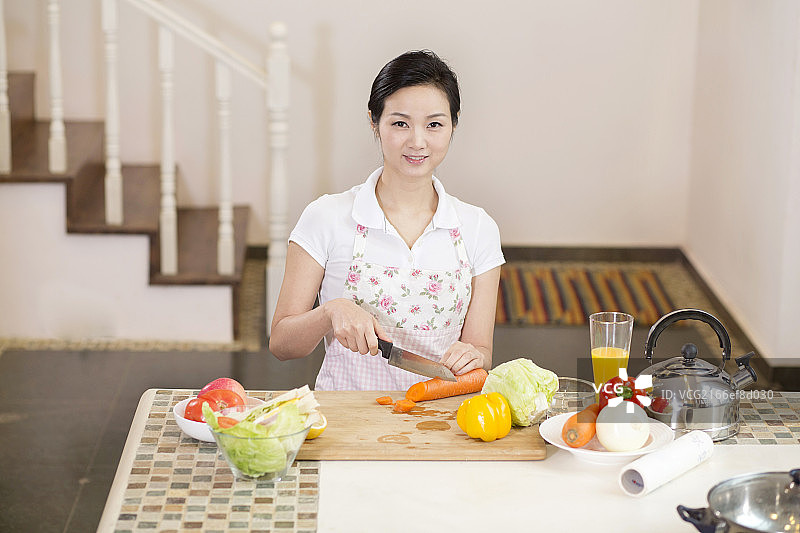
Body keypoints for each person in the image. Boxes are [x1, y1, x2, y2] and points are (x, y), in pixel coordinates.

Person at [269, 50, 505, 391]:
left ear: (454, 124)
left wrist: (473, 357)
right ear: (374, 122)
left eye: (434, 124)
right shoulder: (325, 217)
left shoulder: (479, 228)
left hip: (441, 423)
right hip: (345, 423)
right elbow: (281, 344)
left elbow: (481, 351)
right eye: (400, 123)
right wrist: (330, 312)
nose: (417, 141)